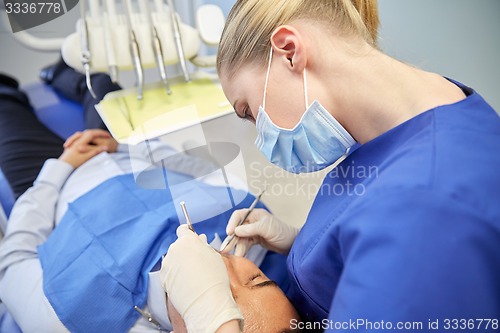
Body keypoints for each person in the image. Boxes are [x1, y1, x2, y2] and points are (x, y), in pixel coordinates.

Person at [161, 0, 500, 332]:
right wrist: (305, 249)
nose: (259, 137)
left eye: (250, 112)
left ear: (289, 51)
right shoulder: (411, 117)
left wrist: (211, 317)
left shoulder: (425, 208)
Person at [0, 70, 299, 333]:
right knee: (101, 85)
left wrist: (58, 170)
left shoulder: (72, 320)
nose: (225, 271)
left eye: (225, 303)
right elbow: (199, 169)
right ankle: (61, 73)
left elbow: (13, 260)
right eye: (257, 281)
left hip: (54, 185)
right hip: (123, 154)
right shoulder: (257, 238)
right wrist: (128, 146)